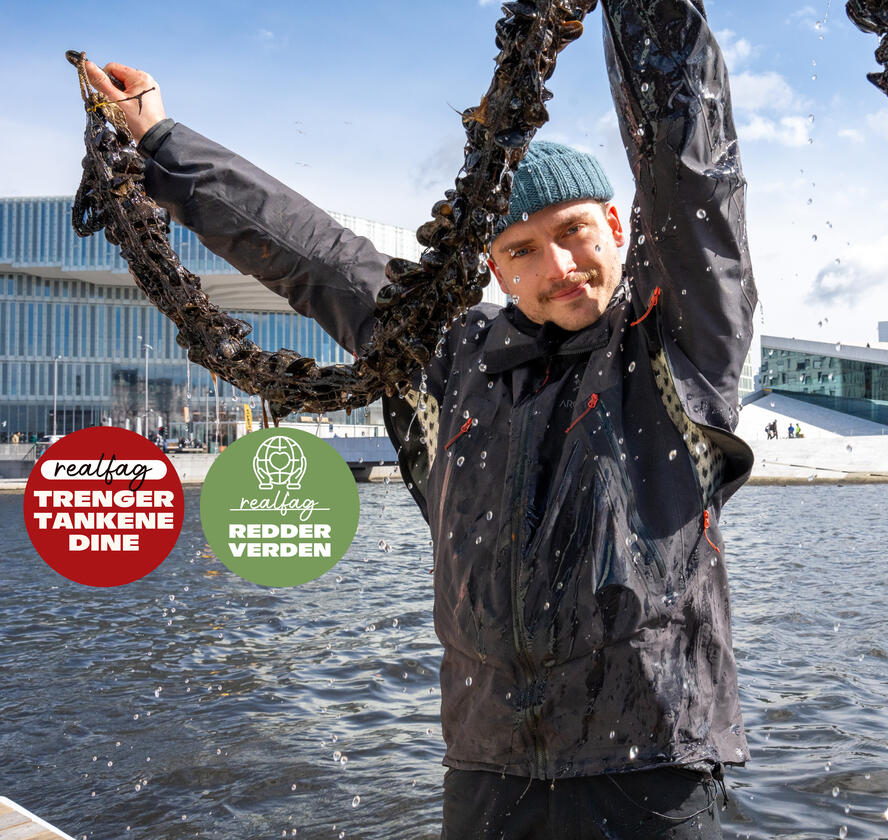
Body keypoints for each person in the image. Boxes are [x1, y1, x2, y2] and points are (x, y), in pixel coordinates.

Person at [86, 3, 755, 836]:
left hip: (650, 769)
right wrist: (158, 141)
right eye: (522, 250)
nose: (560, 267)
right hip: (485, 767)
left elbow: (689, 174)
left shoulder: (677, 340)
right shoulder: (451, 360)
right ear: (494, 268)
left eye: (575, 232)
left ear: (615, 227)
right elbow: (312, 255)